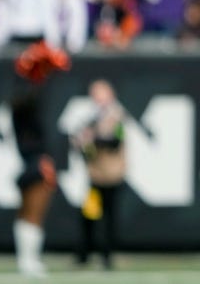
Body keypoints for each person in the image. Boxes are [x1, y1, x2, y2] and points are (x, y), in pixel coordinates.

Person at [11, 41, 70, 277]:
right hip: (35, 160)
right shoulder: (26, 101)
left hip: (30, 159)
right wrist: (39, 68)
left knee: (27, 212)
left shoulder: (25, 101)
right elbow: (31, 96)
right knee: (34, 211)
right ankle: (29, 260)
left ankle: (27, 259)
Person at [70, 80, 126, 270]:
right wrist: (83, 143)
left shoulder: (117, 115)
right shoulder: (92, 117)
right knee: (89, 215)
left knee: (109, 217)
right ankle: (84, 255)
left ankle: (107, 256)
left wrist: (92, 138)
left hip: (111, 177)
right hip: (95, 177)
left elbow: (116, 141)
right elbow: (87, 149)